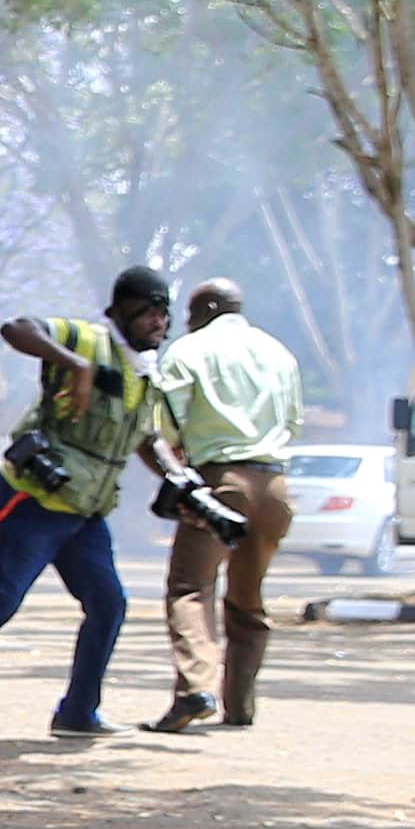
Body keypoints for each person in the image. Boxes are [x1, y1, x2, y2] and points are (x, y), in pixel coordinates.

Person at [0, 266, 186, 744]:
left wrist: (179, 478)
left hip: (85, 509)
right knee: (2, 601)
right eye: (148, 311)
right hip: (36, 498)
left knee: (108, 604)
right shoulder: (85, 338)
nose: (158, 322)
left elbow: (146, 439)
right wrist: (76, 365)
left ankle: (78, 713)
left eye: (164, 314)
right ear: (119, 311)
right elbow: (17, 328)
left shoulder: (144, 373)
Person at [146, 278, 303, 731]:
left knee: (190, 589)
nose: (187, 322)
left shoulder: (190, 350)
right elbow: (292, 421)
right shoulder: (278, 352)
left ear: (209, 307)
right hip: (273, 486)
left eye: (192, 312)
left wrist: (182, 462)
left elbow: (163, 423)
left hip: (218, 482)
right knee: (248, 600)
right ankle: (240, 704)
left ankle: (196, 689)